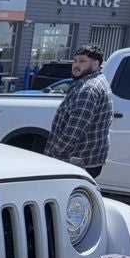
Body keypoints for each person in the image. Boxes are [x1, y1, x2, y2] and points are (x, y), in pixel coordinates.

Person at [44, 44, 114, 179]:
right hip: (84, 161)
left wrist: (55, 152)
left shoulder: (88, 89)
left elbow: (75, 129)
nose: (76, 65)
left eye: (82, 61)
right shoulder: (94, 81)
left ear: (95, 64)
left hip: (77, 162)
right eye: (75, 61)